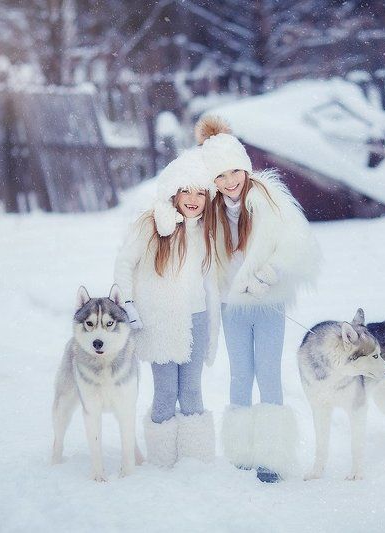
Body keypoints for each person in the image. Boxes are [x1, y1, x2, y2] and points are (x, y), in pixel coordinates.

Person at [195, 115, 320, 482]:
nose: (230, 182)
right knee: (240, 376)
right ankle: (242, 450)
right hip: (233, 307)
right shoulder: (212, 211)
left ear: (245, 168)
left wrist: (270, 273)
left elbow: (297, 243)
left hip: (266, 303)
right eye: (220, 176)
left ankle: (272, 454)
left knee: (268, 374)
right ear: (212, 181)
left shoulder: (269, 198)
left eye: (234, 172)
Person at [114, 146, 220, 467]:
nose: (192, 198)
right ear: (173, 193)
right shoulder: (151, 225)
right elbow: (124, 262)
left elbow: (213, 280)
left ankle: (195, 459)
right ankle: (163, 461)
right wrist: (127, 303)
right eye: (185, 190)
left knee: (191, 394)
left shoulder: (207, 230)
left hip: (197, 320)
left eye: (200, 193)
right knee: (164, 395)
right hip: (161, 323)